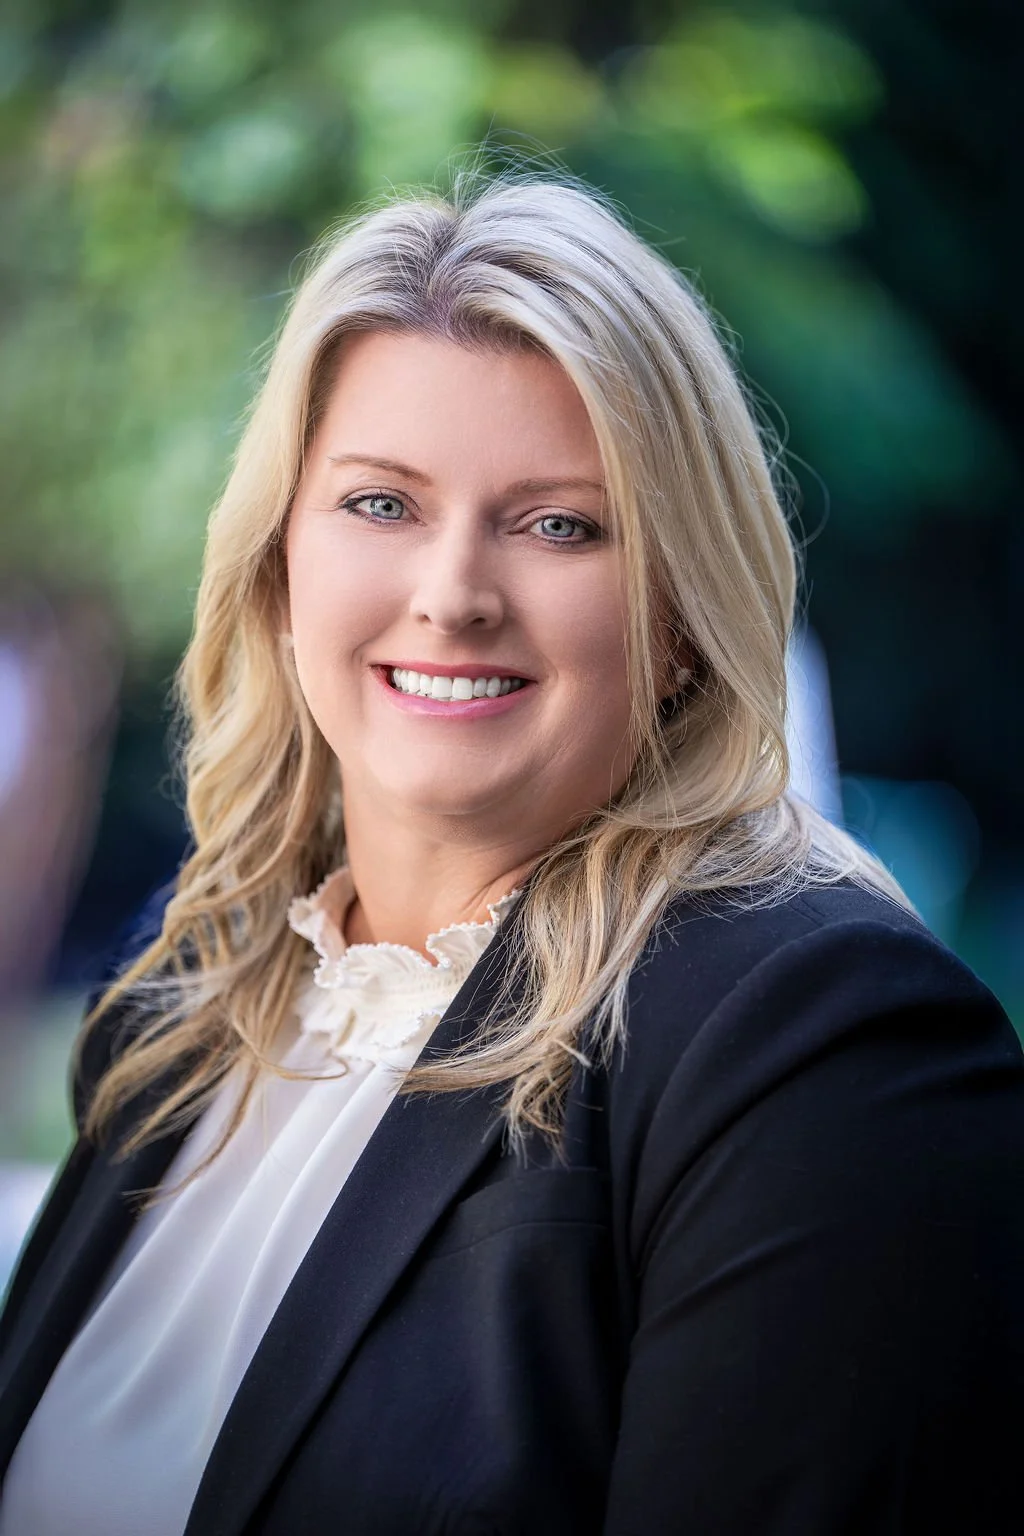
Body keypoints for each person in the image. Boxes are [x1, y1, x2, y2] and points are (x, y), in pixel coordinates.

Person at [1, 166, 1022, 1536]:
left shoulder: (819, 1042)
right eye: (380, 504)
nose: (453, 594)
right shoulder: (180, 1020)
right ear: (277, 568)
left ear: (677, 619)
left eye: (560, 526)